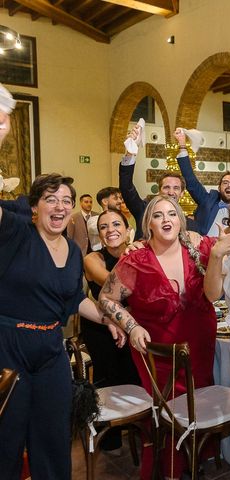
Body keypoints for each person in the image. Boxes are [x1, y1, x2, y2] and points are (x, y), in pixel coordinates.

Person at [98, 195, 230, 479]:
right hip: (157, 352)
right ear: (147, 224)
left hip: (199, 344)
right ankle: (171, 466)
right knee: (167, 410)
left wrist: (217, 254)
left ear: (181, 220)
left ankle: (195, 459)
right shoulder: (135, 259)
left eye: (172, 214)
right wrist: (131, 326)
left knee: (198, 401)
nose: (166, 220)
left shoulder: (200, 247)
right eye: (158, 215)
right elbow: (106, 298)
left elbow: (213, 295)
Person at [0, 173, 124, 480]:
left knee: (54, 438)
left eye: (66, 200)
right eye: (50, 199)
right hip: (8, 349)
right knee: (6, 439)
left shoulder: (72, 251)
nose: (59, 206)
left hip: (52, 353)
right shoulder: (15, 233)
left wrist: (108, 319)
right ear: (34, 206)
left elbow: (74, 299)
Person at [83, 208, 140, 450]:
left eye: (117, 224)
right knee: (110, 380)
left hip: (135, 323)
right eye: (104, 227)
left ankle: (139, 425)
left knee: (137, 378)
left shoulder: (139, 252)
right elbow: (112, 284)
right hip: (101, 325)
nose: (110, 230)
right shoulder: (92, 259)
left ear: (128, 230)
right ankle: (110, 434)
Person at [174, 129, 230, 236]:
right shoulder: (207, 200)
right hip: (207, 250)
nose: (229, 185)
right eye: (225, 182)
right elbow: (190, 180)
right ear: (219, 188)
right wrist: (182, 144)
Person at [119, 125, 197, 240]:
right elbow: (126, 187)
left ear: (182, 193)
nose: (171, 192)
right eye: (166, 187)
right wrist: (130, 152)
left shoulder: (189, 225)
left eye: (176, 188)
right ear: (159, 190)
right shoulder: (144, 211)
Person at [87, 186, 123, 251]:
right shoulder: (93, 220)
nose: (120, 201)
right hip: (101, 258)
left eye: (120, 198)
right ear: (105, 202)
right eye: (115, 198)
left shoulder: (121, 219)